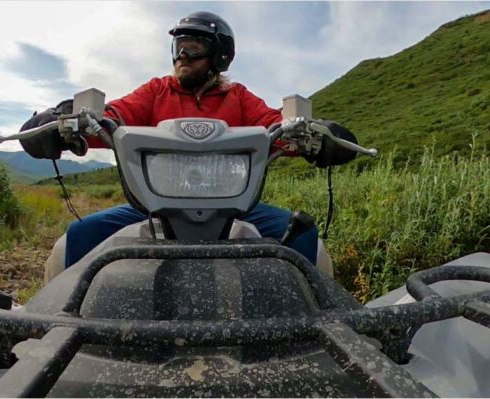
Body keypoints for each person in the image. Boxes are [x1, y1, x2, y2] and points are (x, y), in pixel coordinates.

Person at [20, 11, 356, 276]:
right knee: (77, 239)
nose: (182, 55)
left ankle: (318, 323)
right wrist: (63, 122)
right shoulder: (156, 90)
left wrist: (316, 136)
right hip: (152, 204)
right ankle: (58, 328)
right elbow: (112, 117)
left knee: (306, 239)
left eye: (193, 48)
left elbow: (274, 126)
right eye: (178, 48)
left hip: (235, 204)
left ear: (219, 55)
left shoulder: (237, 96)